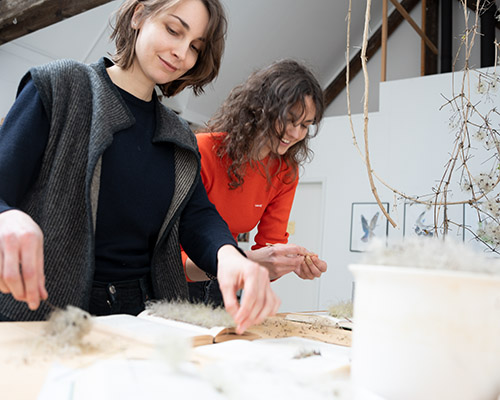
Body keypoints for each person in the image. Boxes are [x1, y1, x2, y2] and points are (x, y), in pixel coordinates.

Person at [0, 0, 279, 334]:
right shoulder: (61, 87)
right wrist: (7, 217)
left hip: (145, 319)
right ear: (138, 16)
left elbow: (198, 216)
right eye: (173, 30)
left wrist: (228, 255)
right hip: (49, 314)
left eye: (195, 47)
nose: (181, 52)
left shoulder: (179, 136)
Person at [184, 59, 328, 306]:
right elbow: (169, 258)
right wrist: (245, 261)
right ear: (260, 108)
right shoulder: (203, 151)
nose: (296, 133)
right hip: (175, 283)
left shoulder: (285, 172)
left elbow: (269, 251)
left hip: (224, 285)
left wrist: (287, 262)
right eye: (289, 119)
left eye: (305, 125)